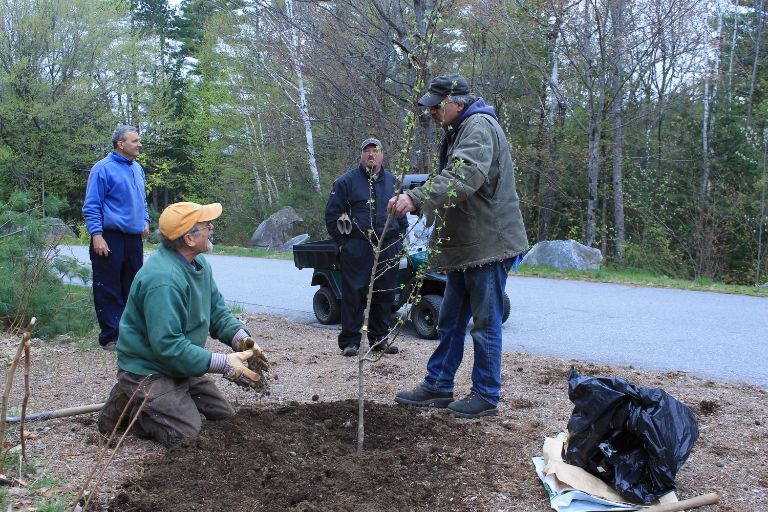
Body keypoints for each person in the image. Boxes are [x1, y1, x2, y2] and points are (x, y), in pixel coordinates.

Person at [388, 74, 528, 419]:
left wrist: (415, 198)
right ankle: (438, 384)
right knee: (450, 320)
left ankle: (485, 395)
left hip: (489, 245)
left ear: (457, 102)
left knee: (484, 323)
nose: (432, 112)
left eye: (437, 105)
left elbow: (462, 179)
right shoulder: (459, 130)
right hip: (468, 247)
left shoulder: (478, 126)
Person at [97, 201, 267, 447]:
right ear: (189, 239)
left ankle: (159, 398)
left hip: (179, 365)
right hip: (149, 368)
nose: (211, 227)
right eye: (205, 225)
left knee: (224, 416)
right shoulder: (163, 280)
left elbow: (217, 311)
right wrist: (223, 364)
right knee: (188, 436)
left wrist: (241, 339)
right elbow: (168, 346)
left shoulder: (199, 264)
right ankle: (134, 404)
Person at [325, 138, 408, 357]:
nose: (371, 155)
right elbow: (332, 216)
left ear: (383, 155)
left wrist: (399, 240)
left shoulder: (394, 182)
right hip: (357, 247)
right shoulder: (345, 182)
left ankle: (379, 339)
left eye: (376, 151)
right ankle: (350, 342)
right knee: (354, 295)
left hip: (388, 247)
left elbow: (403, 217)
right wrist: (345, 244)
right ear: (361, 155)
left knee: (385, 295)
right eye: (367, 151)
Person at [82, 125, 150, 351]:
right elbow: (92, 206)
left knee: (132, 287)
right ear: (121, 144)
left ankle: (130, 335)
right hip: (109, 236)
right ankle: (111, 337)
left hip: (133, 238)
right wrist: (97, 235)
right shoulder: (102, 169)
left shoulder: (138, 169)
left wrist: (145, 220)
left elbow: (143, 199)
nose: (139, 144)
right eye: (135, 140)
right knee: (108, 287)